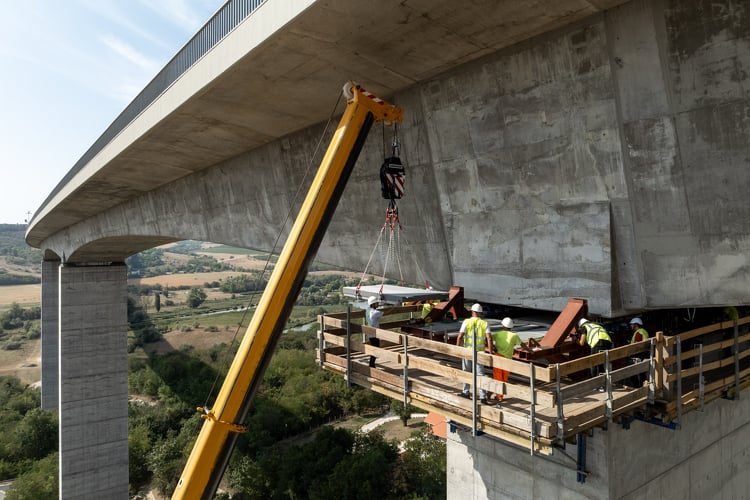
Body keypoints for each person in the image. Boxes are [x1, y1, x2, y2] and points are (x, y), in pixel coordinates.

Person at [456, 303, 494, 404]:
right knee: (480, 375)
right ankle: (482, 397)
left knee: (466, 372)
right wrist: (490, 353)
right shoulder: (485, 323)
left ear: (472, 311)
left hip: (467, 351)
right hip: (480, 353)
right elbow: (489, 338)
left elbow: (460, 336)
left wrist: (457, 349)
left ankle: (466, 392)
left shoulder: (466, 321)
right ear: (480, 313)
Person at [490, 317, 526, 403]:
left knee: (498, 377)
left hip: (498, 357)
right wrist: (530, 351)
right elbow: (522, 345)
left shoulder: (498, 334)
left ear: (503, 325)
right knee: (504, 378)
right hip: (508, 359)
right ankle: (500, 395)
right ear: (511, 327)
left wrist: (493, 348)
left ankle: (499, 396)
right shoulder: (514, 336)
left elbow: (489, 338)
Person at [366, 296, 384, 367]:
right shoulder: (374, 313)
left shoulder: (368, 310)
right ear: (373, 304)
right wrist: (394, 307)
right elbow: (385, 313)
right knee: (375, 350)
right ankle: (371, 365)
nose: (378, 304)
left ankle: (372, 364)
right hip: (374, 334)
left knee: (374, 349)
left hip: (370, 333)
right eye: (376, 303)